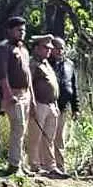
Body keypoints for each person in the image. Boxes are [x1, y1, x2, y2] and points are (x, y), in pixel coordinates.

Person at [0, 16, 33, 175]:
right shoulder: (4, 47)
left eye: (23, 30)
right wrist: (8, 94)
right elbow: (2, 73)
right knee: (18, 128)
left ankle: (21, 163)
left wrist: (32, 97)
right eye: (18, 30)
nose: (21, 33)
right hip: (13, 94)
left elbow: (28, 74)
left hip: (26, 94)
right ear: (10, 31)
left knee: (23, 129)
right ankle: (13, 165)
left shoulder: (23, 49)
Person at [27, 34, 66, 178]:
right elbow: (28, 85)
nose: (49, 51)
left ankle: (50, 166)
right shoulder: (33, 63)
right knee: (35, 136)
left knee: (49, 138)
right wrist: (32, 104)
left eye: (50, 48)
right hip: (39, 104)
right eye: (45, 48)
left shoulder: (46, 63)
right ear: (36, 48)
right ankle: (34, 165)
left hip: (51, 105)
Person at [50, 36, 79, 173]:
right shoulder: (46, 63)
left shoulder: (70, 64)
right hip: (49, 105)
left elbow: (73, 87)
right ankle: (46, 166)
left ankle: (60, 167)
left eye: (62, 48)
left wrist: (75, 108)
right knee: (47, 137)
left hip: (63, 107)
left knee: (60, 138)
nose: (59, 51)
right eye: (56, 48)